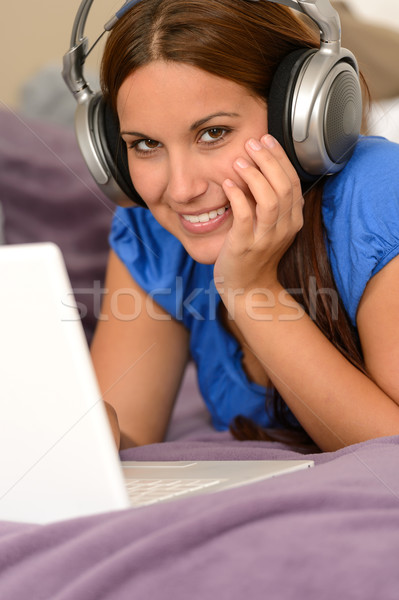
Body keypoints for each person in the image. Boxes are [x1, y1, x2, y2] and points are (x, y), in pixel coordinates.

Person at [90, 0, 399, 452]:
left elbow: (390, 449)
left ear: (299, 118)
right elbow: (125, 441)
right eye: (146, 144)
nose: (180, 189)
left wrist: (252, 289)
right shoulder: (154, 231)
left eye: (212, 133)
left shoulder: (379, 196)